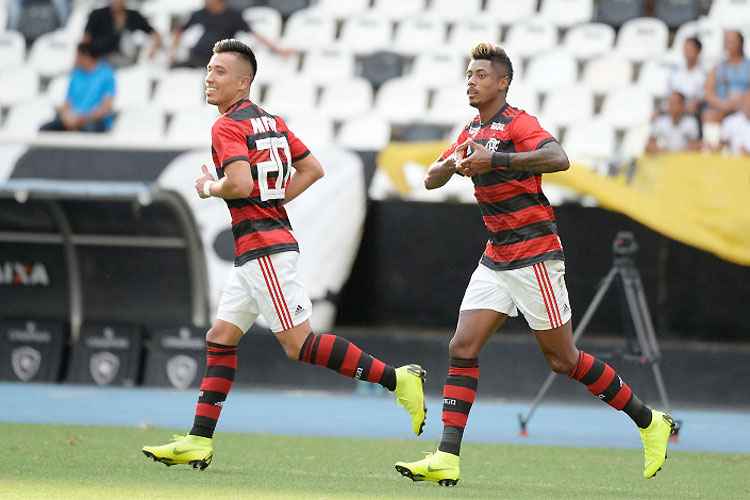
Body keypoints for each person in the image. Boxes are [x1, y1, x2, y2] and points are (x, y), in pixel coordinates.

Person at [393, 43, 675, 487]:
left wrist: (497, 159)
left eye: (481, 74)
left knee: (563, 360)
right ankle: (447, 456)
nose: (471, 80)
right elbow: (431, 178)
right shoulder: (471, 129)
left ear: (502, 82)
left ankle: (648, 421)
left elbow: (559, 158)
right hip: (497, 254)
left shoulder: (518, 123)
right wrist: (452, 163)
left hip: (535, 253)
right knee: (461, 347)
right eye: (468, 74)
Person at [141, 39, 426, 470]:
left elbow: (236, 184)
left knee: (299, 344)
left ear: (243, 82)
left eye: (220, 71)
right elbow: (313, 168)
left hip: (264, 251)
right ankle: (199, 440)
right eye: (209, 69)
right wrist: (273, 201)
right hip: (258, 249)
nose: (209, 77)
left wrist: (209, 187)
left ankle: (397, 379)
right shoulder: (271, 122)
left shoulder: (226, 127)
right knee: (220, 338)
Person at [170, 0, 292, 68]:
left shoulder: (233, 16)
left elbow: (254, 34)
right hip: (196, 55)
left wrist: (278, 50)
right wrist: (173, 52)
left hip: (217, 58)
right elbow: (180, 30)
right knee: (172, 69)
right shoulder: (201, 13)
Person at [39, 42, 115, 133]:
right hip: (73, 119)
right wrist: (65, 115)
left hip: (94, 120)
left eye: (77, 55)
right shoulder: (76, 74)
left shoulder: (106, 74)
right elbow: (68, 103)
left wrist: (83, 118)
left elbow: (106, 108)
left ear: (86, 56)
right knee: (45, 129)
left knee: (85, 131)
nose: (75, 58)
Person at [83, 0, 162, 67]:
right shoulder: (97, 15)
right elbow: (86, 39)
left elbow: (154, 33)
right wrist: (85, 58)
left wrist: (153, 49)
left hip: (125, 61)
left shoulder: (134, 16)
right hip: (98, 60)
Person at [703, 30, 750, 124]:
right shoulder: (718, 67)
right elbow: (708, 92)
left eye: (732, 41)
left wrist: (741, 101)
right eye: (727, 42)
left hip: (745, 108)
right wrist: (722, 104)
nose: (729, 45)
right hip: (722, 107)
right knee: (709, 115)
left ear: (741, 43)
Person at [667, 37, 706, 116]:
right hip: (674, 108)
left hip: (693, 112)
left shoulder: (704, 73)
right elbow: (670, 91)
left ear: (698, 51)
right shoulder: (675, 70)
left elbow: (702, 97)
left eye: (690, 49)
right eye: (685, 49)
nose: (687, 52)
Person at [719, 91, 750, 155]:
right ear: (743, 103)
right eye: (747, 103)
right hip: (734, 161)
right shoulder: (730, 121)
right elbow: (722, 143)